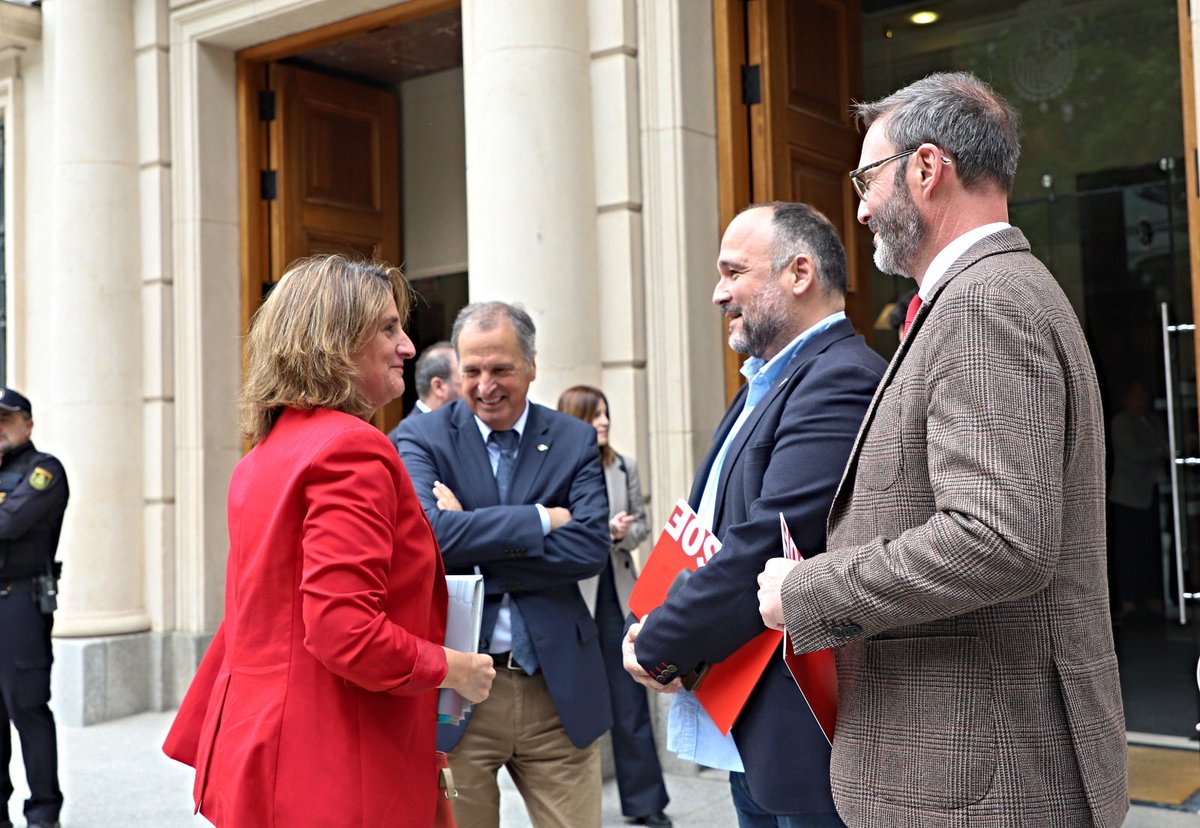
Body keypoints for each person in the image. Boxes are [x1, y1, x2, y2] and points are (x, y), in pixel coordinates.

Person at [756, 72, 1128, 827]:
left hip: (980, 785)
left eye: (866, 178)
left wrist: (808, 593)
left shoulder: (984, 303)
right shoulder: (991, 295)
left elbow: (998, 539)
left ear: (927, 169)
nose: (858, 207)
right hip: (974, 772)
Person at [162, 254, 494, 827]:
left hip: (268, 753)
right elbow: (345, 631)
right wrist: (454, 668)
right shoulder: (351, 448)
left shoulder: (263, 457)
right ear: (335, 341)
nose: (409, 347)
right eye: (389, 329)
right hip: (332, 767)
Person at [623, 202, 886, 827]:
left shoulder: (839, 378)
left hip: (801, 724)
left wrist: (662, 642)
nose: (718, 293)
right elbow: (706, 521)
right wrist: (650, 618)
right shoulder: (769, 379)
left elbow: (764, 543)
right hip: (743, 710)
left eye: (733, 271)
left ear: (799, 273)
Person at [396, 301, 612, 828]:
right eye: (471, 371)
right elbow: (428, 541)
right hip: (459, 692)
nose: (485, 385)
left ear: (532, 365)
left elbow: (589, 550)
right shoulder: (418, 439)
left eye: (501, 369)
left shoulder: (572, 438)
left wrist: (472, 530)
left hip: (555, 691)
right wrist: (541, 519)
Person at [557, 385, 671, 828]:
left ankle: (646, 802)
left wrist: (624, 533)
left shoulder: (624, 466)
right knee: (570, 704)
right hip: (574, 597)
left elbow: (644, 526)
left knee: (631, 701)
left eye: (606, 414)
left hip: (619, 594)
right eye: (594, 415)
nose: (604, 422)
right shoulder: (556, 469)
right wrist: (596, 531)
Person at [0, 388, 67, 828]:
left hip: (21, 603)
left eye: (5, 420)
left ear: (27, 424)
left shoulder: (45, 470)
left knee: (28, 707)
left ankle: (43, 814)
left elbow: (9, 525)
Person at [387, 340, 461, 446]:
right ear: (438, 387)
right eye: (465, 377)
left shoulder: (465, 428)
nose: (477, 386)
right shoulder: (401, 441)